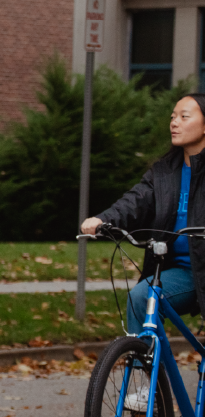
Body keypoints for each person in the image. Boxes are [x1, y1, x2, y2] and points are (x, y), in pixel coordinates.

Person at [81, 93, 205, 409]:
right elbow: (135, 201)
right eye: (173, 116)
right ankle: (146, 383)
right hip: (177, 271)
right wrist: (103, 220)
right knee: (141, 297)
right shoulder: (163, 171)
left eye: (184, 116)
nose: (174, 122)